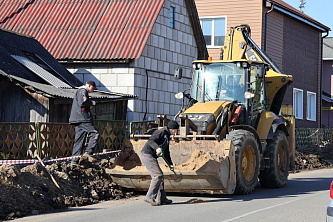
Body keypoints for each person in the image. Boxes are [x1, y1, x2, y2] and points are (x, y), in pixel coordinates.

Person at [140, 120, 179, 206]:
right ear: (172, 129)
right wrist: (157, 148)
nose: (177, 132)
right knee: (157, 175)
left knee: (160, 176)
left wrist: (170, 164)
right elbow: (151, 141)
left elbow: (166, 152)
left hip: (152, 156)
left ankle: (162, 198)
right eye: (176, 130)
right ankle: (149, 197)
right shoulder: (161, 132)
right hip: (147, 155)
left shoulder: (167, 136)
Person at [69, 81, 100, 165]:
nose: (92, 90)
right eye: (92, 88)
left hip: (77, 119)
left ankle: (74, 161)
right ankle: (88, 152)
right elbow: (83, 102)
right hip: (83, 118)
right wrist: (92, 103)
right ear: (89, 85)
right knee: (95, 133)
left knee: (79, 140)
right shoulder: (83, 91)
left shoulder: (79, 91)